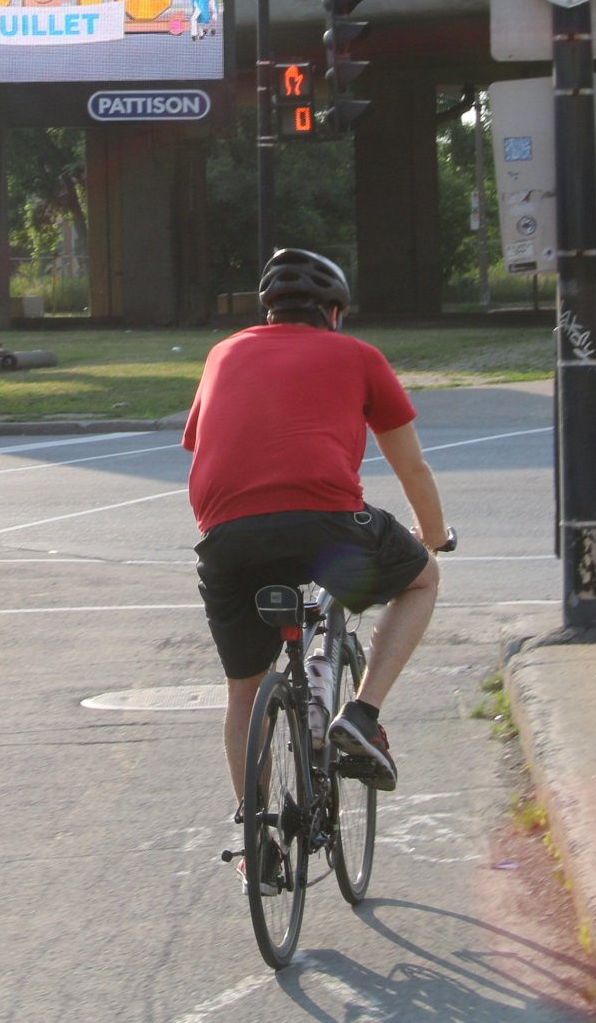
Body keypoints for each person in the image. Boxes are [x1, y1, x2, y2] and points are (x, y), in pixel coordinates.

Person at [182, 248, 447, 820]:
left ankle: (258, 840)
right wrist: (433, 536)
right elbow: (412, 469)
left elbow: (203, 447)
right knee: (422, 581)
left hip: (227, 538)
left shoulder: (222, 354)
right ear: (333, 311)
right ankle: (363, 715)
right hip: (327, 528)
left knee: (244, 692)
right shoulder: (357, 355)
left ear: (269, 310)